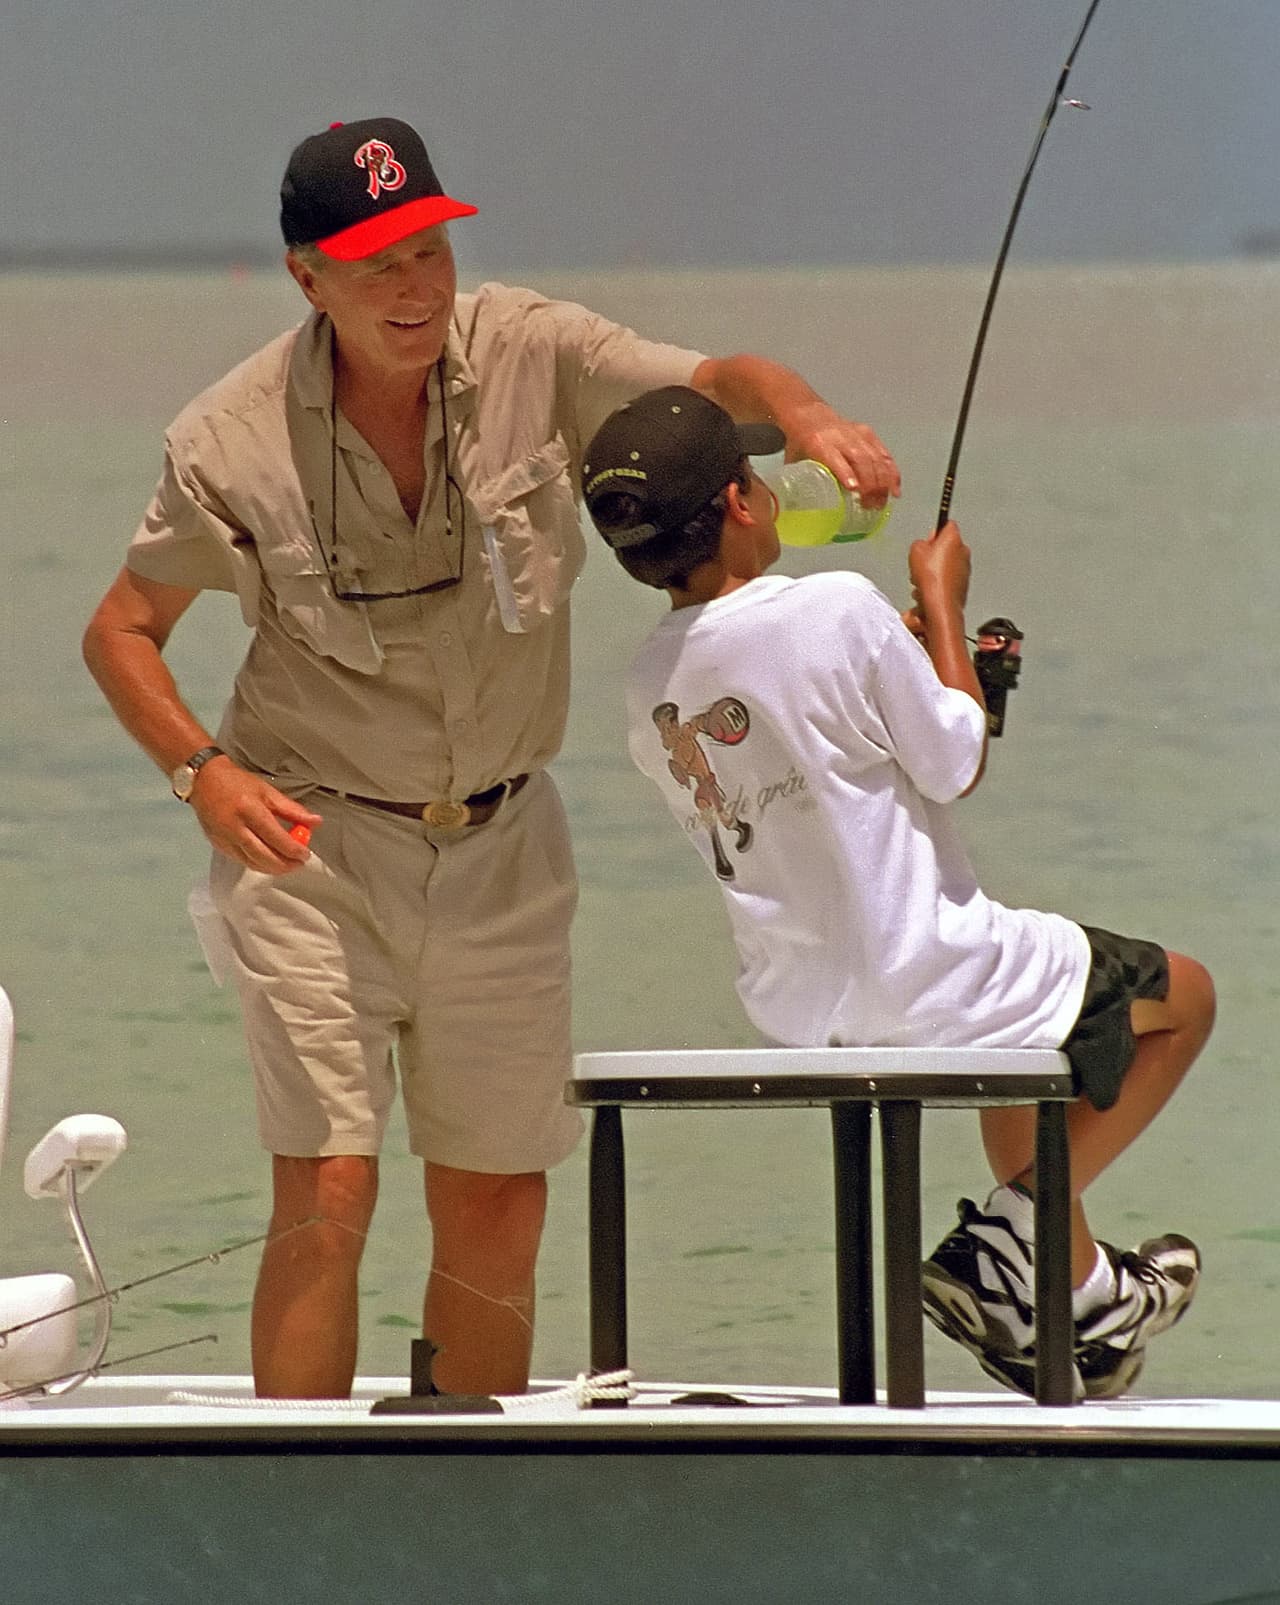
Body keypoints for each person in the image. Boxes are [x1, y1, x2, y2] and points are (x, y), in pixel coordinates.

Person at [80, 117, 901, 1400]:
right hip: (310, 848)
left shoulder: (537, 350)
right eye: (374, 265)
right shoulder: (223, 441)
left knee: (499, 1202)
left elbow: (713, 380)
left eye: (427, 251)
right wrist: (204, 775)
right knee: (328, 1186)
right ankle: (298, 1517)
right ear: (307, 277)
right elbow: (122, 631)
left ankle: (457, 1496)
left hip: (505, 843)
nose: (413, 289)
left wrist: (803, 414)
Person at [580, 384, 1216, 1399]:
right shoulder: (833, 604)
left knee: (1033, 1037)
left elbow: (811, 757)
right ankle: (1008, 1240)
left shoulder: (644, 684)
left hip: (801, 1011)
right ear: (744, 505)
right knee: (1182, 996)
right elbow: (953, 759)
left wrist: (924, 665)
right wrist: (945, 609)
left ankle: (1084, 1298)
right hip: (924, 972)